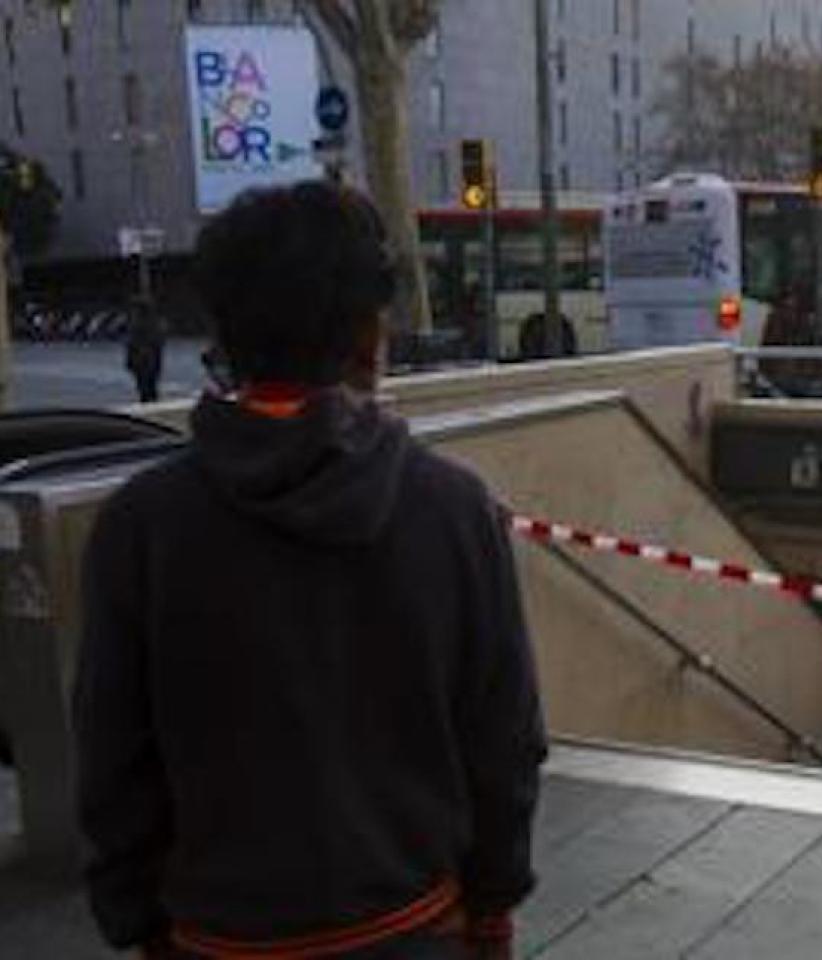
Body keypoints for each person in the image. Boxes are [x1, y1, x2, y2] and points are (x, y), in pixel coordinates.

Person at [75, 182, 545, 959]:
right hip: (414, 928)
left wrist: (141, 926)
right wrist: (490, 911)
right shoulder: (455, 510)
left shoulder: (140, 527)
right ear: (370, 334)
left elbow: (113, 763)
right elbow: (504, 743)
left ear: (223, 332)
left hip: (216, 940)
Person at [124, 294, 167, 403]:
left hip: (145, 358)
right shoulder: (149, 323)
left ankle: (148, 399)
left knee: (146, 386)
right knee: (146, 386)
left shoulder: (144, 325)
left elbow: (155, 343)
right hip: (144, 358)